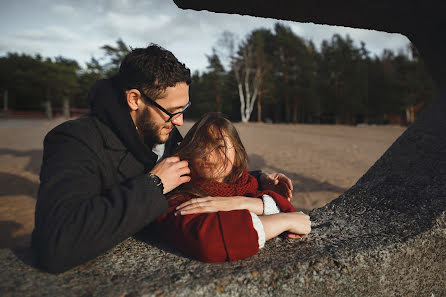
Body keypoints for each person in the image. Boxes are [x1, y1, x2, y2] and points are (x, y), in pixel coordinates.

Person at [32, 44, 294, 273]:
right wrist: (154, 185)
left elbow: (204, 173)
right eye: (172, 111)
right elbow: (56, 244)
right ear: (135, 99)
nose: (179, 121)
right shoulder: (74, 141)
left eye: (183, 110)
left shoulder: (161, 127)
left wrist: (259, 180)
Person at [155, 113, 311, 262]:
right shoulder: (179, 195)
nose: (207, 154)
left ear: (237, 156)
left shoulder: (245, 184)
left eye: (219, 146)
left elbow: (284, 204)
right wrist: (283, 221)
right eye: (200, 146)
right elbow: (211, 239)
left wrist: (239, 202)